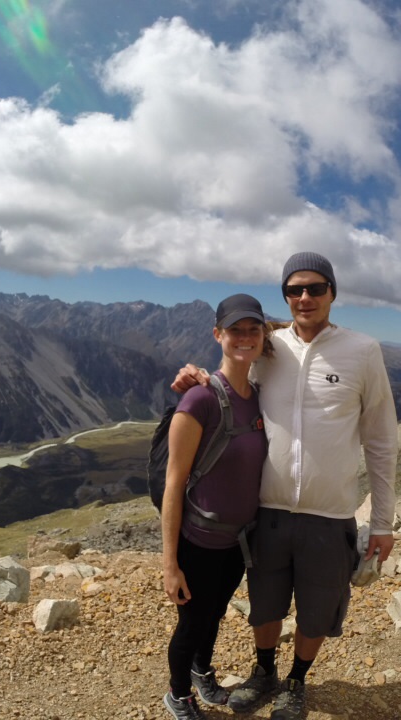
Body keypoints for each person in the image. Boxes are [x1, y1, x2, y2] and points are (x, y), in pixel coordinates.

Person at [172, 252, 398, 720]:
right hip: (268, 511)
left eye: (316, 287)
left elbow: (380, 440)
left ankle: (296, 681)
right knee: (266, 605)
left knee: (318, 609)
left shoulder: (362, 351)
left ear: (333, 292)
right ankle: (264, 672)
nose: (305, 297)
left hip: (330, 512)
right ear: (285, 297)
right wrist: (196, 378)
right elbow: (232, 377)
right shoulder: (268, 346)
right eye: (294, 290)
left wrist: (382, 521)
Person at [161, 293, 272, 720]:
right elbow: (174, 484)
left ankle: (201, 671)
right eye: (234, 330)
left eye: (253, 330)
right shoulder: (200, 400)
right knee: (192, 623)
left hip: (237, 543)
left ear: (263, 334)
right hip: (199, 542)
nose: (244, 337)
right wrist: (170, 564)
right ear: (217, 335)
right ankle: (178, 696)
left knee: (215, 614)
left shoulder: (259, 396)